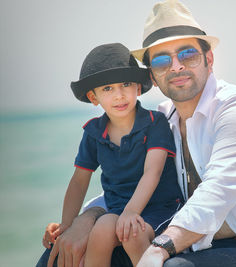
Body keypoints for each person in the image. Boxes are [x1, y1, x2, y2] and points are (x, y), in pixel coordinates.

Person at [37, 1, 236, 266]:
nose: (176, 66)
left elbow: (216, 193)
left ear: (209, 58)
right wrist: (84, 220)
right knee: (57, 258)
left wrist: (161, 248)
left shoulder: (235, 111)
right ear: (152, 76)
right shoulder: (164, 117)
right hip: (191, 243)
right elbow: (126, 184)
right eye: (161, 61)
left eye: (188, 54)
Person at [38, 42, 183, 267]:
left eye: (126, 84)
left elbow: (152, 173)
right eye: (107, 89)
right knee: (103, 228)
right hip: (116, 211)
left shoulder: (155, 123)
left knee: (131, 233)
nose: (119, 95)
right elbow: (79, 181)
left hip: (159, 208)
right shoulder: (94, 132)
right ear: (93, 97)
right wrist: (67, 225)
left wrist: (131, 212)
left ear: (138, 88)